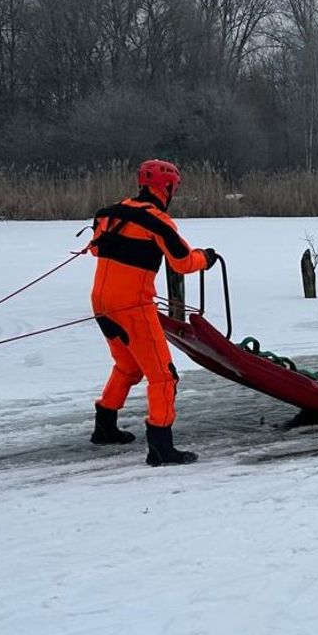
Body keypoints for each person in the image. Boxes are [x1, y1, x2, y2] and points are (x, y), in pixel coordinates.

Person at [87, 159, 217, 466]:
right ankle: (160, 447)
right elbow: (183, 262)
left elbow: (94, 249)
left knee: (129, 367)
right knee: (163, 377)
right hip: (133, 306)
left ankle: (105, 427)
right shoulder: (158, 221)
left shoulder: (106, 213)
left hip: (101, 302)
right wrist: (207, 258)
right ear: (168, 187)